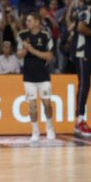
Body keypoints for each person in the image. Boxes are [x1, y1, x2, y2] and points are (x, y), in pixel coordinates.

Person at [17, 12, 56, 142]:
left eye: (29, 20)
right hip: (28, 77)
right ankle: (35, 132)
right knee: (32, 105)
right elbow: (19, 54)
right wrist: (25, 50)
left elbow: (49, 56)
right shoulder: (22, 35)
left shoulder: (45, 35)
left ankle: (49, 128)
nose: (27, 23)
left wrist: (32, 50)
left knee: (47, 103)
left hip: (44, 76)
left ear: (37, 22)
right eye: (26, 20)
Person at [70, 0, 91, 137]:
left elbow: (75, 26)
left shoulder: (82, 11)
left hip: (82, 52)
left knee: (84, 85)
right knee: (84, 85)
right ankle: (80, 121)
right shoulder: (87, 11)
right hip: (82, 53)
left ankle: (80, 120)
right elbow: (80, 28)